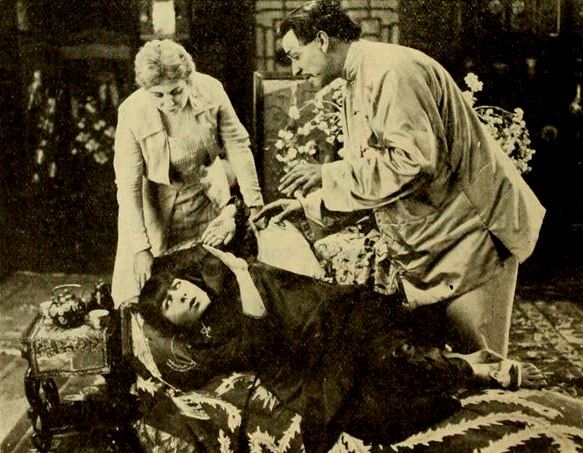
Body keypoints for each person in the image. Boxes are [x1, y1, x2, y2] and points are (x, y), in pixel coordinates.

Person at [253, 0, 545, 357]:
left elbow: (413, 162)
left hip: (476, 229)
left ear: (323, 40)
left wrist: (326, 174)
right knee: (455, 364)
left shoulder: (390, 72)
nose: (295, 69)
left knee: (485, 362)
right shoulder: (359, 77)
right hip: (444, 235)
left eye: (296, 56)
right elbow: (376, 173)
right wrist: (308, 205)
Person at [135, 243, 545, 452]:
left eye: (178, 287)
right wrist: (241, 270)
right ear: (173, 323)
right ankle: (465, 364)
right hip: (309, 371)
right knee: (377, 415)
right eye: (170, 303)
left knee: (390, 358)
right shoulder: (206, 344)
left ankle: (476, 368)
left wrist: (238, 267)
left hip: (334, 325)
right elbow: (259, 327)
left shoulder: (224, 281)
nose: (182, 296)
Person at [112, 39, 264, 305]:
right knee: (147, 291)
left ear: (188, 80)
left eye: (176, 91)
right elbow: (128, 186)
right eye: (158, 95)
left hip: (206, 197)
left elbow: (238, 146)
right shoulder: (131, 111)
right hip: (155, 207)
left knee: (211, 282)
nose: (169, 102)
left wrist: (255, 204)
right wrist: (140, 247)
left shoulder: (211, 90)